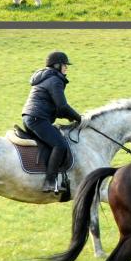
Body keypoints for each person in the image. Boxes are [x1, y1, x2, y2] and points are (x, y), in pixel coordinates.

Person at [21, 51, 87, 193]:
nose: (66, 68)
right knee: (60, 145)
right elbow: (62, 106)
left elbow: (57, 108)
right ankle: (49, 182)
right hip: (38, 118)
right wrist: (79, 118)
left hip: (30, 117)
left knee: (53, 139)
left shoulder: (46, 78)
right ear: (57, 65)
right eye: (64, 65)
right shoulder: (55, 80)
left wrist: (71, 117)